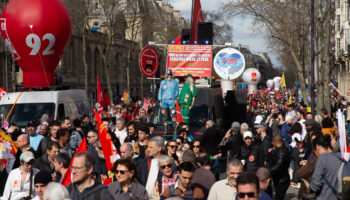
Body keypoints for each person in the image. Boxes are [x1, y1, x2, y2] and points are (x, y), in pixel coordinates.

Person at [267, 135, 290, 200]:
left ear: (274, 142)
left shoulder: (282, 152)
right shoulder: (278, 150)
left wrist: (267, 171)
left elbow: (278, 166)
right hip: (278, 179)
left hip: (282, 180)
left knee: (279, 197)